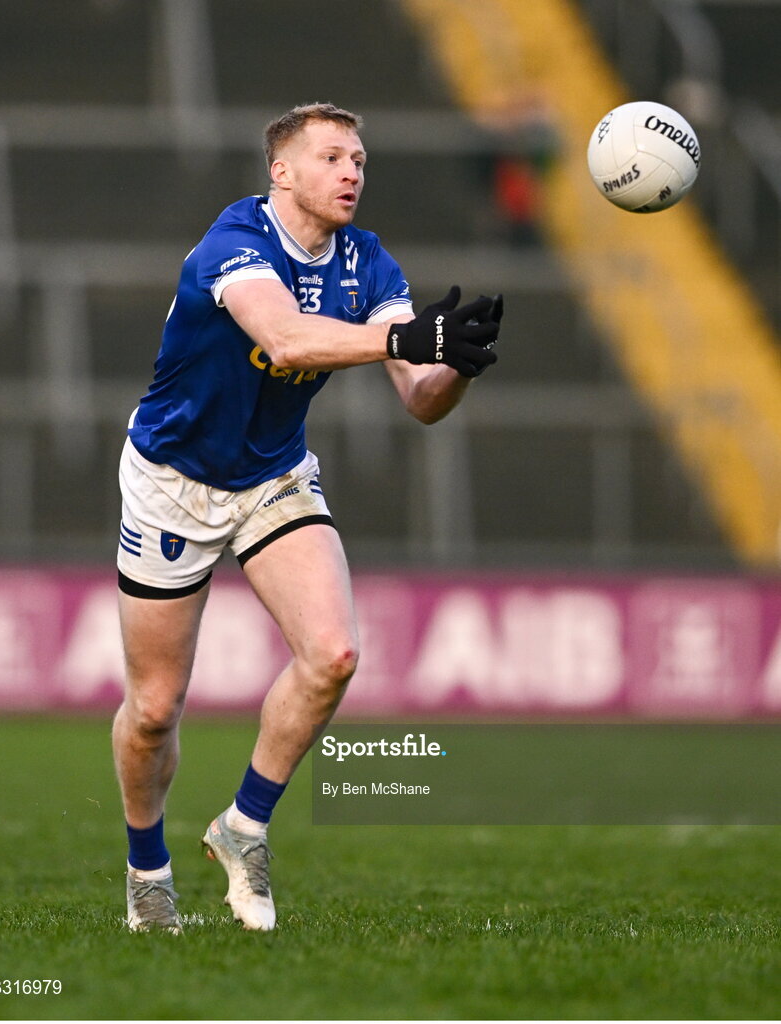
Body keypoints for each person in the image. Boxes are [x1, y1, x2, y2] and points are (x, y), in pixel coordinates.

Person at [112, 102, 502, 934]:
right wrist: (401, 343)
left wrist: (454, 360)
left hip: (273, 474)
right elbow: (285, 340)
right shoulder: (234, 243)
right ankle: (148, 869)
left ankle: (241, 829)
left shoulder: (368, 263)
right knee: (152, 709)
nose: (352, 171)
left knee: (332, 655)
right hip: (172, 481)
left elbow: (421, 401)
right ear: (281, 173)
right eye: (331, 157)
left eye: (358, 158)